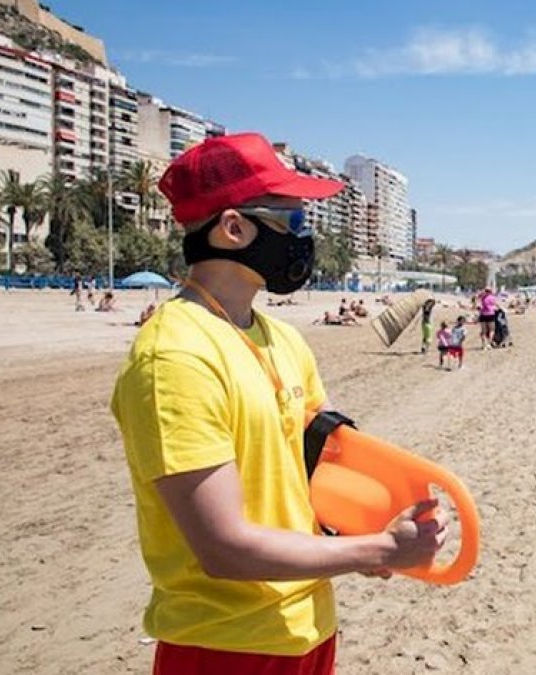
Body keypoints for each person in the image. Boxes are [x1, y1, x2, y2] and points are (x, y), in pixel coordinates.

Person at [110, 132, 447, 674]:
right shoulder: (173, 358)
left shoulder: (281, 339)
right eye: (293, 221)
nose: (304, 237)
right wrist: (381, 550)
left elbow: (320, 470)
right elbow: (223, 548)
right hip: (223, 646)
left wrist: (379, 523)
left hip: (308, 628)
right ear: (234, 228)